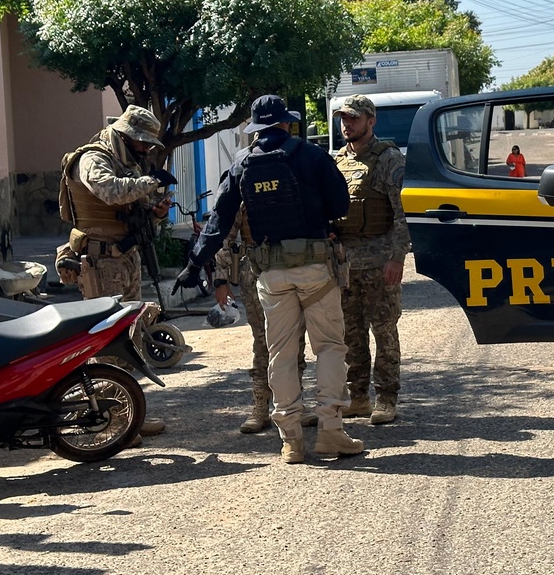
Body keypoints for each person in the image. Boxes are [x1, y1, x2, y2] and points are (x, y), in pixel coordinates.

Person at [176, 95, 363, 464]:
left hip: (269, 273)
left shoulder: (242, 163)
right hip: (314, 269)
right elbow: (341, 207)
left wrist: (194, 264)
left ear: (257, 128)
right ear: (287, 123)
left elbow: (219, 220)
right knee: (328, 347)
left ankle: (291, 440)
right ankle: (331, 432)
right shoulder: (312, 156)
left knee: (279, 353)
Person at [59, 105, 170, 441]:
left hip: (125, 258)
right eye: (143, 143)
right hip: (101, 262)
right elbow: (110, 191)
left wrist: (155, 212)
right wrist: (150, 182)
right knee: (106, 343)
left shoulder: (126, 162)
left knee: (129, 339)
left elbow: (127, 208)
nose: (147, 149)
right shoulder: (93, 159)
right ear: (126, 136)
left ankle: (128, 413)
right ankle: (113, 422)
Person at [331, 94, 411, 426]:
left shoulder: (389, 160)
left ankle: (387, 399)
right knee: (351, 335)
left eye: (353, 118)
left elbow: (402, 213)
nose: (346, 124)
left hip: (380, 264)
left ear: (370, 121)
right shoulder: (337, 161)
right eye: (343, 118)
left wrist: (397, 257)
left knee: (384, 332)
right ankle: (359, 397)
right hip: (346, 265)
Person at [213, 209, 313, 434]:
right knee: (263, 342)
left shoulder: (294, 177)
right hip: (256, 273)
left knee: (295, 340)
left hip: (293, 267)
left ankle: (296, 403)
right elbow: (224, 234)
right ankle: (260, 406)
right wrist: (220, 279)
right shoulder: (244, 181)